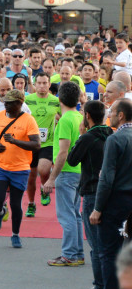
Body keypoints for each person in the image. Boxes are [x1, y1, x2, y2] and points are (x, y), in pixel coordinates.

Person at [90, 99, 132, 289]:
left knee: (109, 253)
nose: (109, 114)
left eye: (112, 111)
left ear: (121, 115)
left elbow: (106, 178)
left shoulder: (115, 139)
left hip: (116, 202)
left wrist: (97, 208)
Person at [67, 100, 112, 289]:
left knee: (95, 242)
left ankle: (101, 285)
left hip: (93, 191)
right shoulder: (112, 134)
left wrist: (80, 136)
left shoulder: (88, 137)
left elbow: (72, 159)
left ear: (87, 116)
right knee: (110, 241)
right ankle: (110, 283)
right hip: (111, 192)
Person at [0, 89, 40, 248]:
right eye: (5, 102)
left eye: (9, 102)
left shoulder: (28, 120)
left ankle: (15, 234)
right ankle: (0, 212)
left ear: (19, 103)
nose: (6, 105)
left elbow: (36, 145)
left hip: (20, 168)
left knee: (16, 205)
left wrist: (16, 142)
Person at [43, 82, 84, 267]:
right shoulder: (79, 117)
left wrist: (52, 178)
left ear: (59, 98)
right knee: (75, 215)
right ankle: (77, 253)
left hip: (67, 172)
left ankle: (69, 254)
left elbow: (63, 152)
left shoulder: (67, 119)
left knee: (67, 215)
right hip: (78, 171)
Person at [24, 72, 60, 216]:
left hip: (48, 143)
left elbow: (64, 116)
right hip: (30, 143)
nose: (42, 86)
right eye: (39, 83)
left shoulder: (55, 101)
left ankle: (44, 188)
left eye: (45, 83)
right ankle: (31, 204)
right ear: (34, 84)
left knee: (44, 170)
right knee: (31, 176)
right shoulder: (28, 100)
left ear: (49, 84)